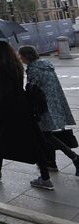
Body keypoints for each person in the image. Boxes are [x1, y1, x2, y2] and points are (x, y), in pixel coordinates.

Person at [0, 40, 54, 190]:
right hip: (22, 106)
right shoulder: (15, 65)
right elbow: (6, 76)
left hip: (9, 109)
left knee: (0, 137)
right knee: (31, 140)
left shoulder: (4, 67)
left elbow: (5, 90)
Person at [18, 45, 79, 176]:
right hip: (56, 103)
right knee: (47, 134)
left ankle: (74, 157)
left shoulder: (33, 69)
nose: (20, 58)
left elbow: (32, 90)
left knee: (45, 135)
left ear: (26, 56)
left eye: (20, 55)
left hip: (43, 106)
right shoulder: (46, 65)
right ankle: (50, 162)